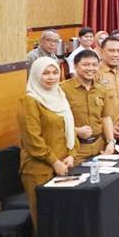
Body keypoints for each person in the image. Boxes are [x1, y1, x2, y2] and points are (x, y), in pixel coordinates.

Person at [20, 57, 78, 227]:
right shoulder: (29, 100)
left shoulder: (60, 95)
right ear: (36, 75)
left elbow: (70, 128)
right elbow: (32, 139)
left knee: (63, 218)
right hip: (39, 169)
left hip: (65, 165)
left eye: (54, 73)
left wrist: (72, 155)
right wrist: (54, 162)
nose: (51, 77)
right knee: (44, 221)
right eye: (45, 73)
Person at [61, 50, 116, 163]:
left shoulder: (101, 89)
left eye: (94, 65)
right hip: (75, 150)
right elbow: (56, 122)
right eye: (86, 65)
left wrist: (111, 142)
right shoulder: (62, 90)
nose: (90, 68)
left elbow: (105, 117)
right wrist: (75, 131)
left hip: (99, 147)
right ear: (75, 66)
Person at [95, 37, 119, 140]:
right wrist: (108, 127)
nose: (116, 54)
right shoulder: (95, 75)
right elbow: (90, 111)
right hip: (101, 137)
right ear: (101, 52)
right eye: (111, 51)